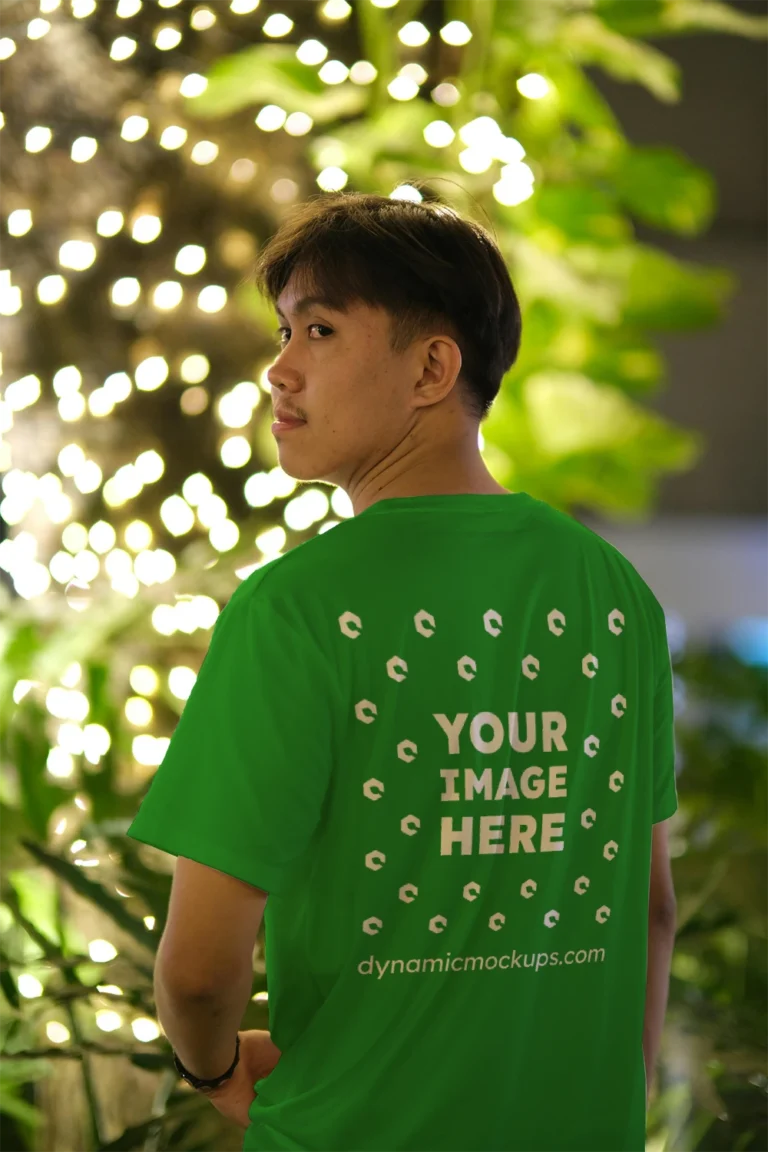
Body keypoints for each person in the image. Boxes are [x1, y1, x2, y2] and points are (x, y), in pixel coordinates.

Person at [127, 190, 678, 1151]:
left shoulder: (293, 612)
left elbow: (203, 969)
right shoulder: (614, 594)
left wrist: (213, 1069)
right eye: (285, 330)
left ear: (432, 366)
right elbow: (651, 909)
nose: (279, 369)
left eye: (321, 330)